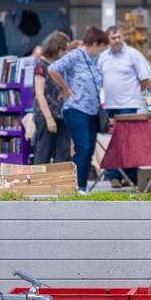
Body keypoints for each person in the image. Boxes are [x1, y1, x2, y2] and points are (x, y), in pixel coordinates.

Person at [49, 26, 109, 193]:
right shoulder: (75, 55)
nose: (103, 50)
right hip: (76, 109)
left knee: (89, 150)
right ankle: (75, 187)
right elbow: (53, 69)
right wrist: (66, 88)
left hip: (92, 111)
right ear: (95, 43)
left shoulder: (93, 59)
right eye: (103, 46)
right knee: (83, 147)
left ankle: (81, 186)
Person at [98, 26, 151, 187]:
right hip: (110, 106)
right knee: (114, 143)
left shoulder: (133, 54)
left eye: (119, 37)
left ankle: (130, 177)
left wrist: (134, 95)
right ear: (108, 40)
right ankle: (114, 176)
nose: (117, 40)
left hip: (130, 105)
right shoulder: (103, 57)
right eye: (113, 38)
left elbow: (145, 79)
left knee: (130, 142)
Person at [33, 31, 71, 164]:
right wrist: (49, 119)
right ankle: (39, 178)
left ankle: (60, 177)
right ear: (56, 48)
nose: (66, 53)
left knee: (63, 154)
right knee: (43, 153)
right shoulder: (41, 65)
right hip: (45, 115)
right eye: (64, 49)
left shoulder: (60, 64)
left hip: (62, 115)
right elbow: (39, 94)